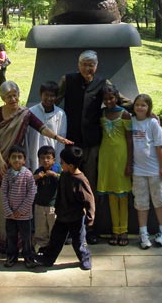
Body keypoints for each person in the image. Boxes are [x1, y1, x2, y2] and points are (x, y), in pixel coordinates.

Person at [0, 81, 72, 252]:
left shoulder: (24, 114)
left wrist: (57, 137)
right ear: (3, 98)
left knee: (14, 197)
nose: (13, 99)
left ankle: (16, 241)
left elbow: (41, 128)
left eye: (15, 95)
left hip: (16, 161)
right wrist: (1, 160)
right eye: (9, 96)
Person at [56, 49, 131, 244]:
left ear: (96, 67)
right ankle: (68, 229)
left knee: (89, 186)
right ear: (78, 65)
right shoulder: (68, 80)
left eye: (91, 65)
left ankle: (90, 229)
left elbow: (121, 101)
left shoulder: (102, 83)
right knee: (68, 186)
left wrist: (146, 110)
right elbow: (53, 101)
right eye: (84, 64)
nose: (88, 68)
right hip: (71, 143)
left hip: (91, 143)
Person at [35, 146, 94, 270]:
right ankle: (48, 259)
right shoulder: (64, 175)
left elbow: (89, 199)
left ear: (71, 165)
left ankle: (85, 258)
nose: (60, 164)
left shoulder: (80, 180)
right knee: (55, 240)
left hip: (76, 217)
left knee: (79, 241)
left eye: (62, 162)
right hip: (61, 215)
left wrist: (90, 216)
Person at [97, 84, 133, 246]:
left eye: (111, 98)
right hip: (106, 158)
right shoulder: (102, 114)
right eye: (105, 99)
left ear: (117, 97)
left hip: (121, 157)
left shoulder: (124, 115)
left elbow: (129, 139)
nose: (109, 101)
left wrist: (129, 162)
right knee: (112, 195)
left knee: (123, 196)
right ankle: (114, 229)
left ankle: (123, 230)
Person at [131, 93, 162, 249]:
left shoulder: (152, 123)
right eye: (137, 104)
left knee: (158, 200)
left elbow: (160, 147)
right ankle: (143, 233)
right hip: (138, 170)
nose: (140, 107)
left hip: (153, 170)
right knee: (141, 203)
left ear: (149, 107)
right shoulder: (130, 122)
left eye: (143, 105)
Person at [1, 145, 37, 268]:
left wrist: (21, 211)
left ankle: (28, 257)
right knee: (11, 236)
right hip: (10, 215)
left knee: (26, 238)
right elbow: (4, 193)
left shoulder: (28, 175)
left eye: (19, 157)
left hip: (25, 216)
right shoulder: (7, 175)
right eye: (14, 157)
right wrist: (8, 210)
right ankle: (11, 256)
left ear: (24, 160)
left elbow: (31, 193)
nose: (17, 160)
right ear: (9, 160)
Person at [26, 81, 67, 171]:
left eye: (52, 96)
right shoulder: (31, 112)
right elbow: (26, 138)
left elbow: (61, 140)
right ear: (41, 95)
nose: (49, 98)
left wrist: (58, 164)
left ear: (56, 97)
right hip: (34, 156)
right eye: (46, 95)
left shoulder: (60, 114)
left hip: (52, 160)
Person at [33, 145, 62, 252]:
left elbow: (64, 180)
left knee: (53, 226)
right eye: (42, 158)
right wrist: (37, 177)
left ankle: (53, 247)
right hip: (40, 204)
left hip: (52, 205)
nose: (45, 161)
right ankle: (42, 246)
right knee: (41, 227)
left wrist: (55, 175)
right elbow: (30, 180)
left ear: (53, 160)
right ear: (39, 160)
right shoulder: (39, 171)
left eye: (48, 158)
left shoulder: (57, 168)